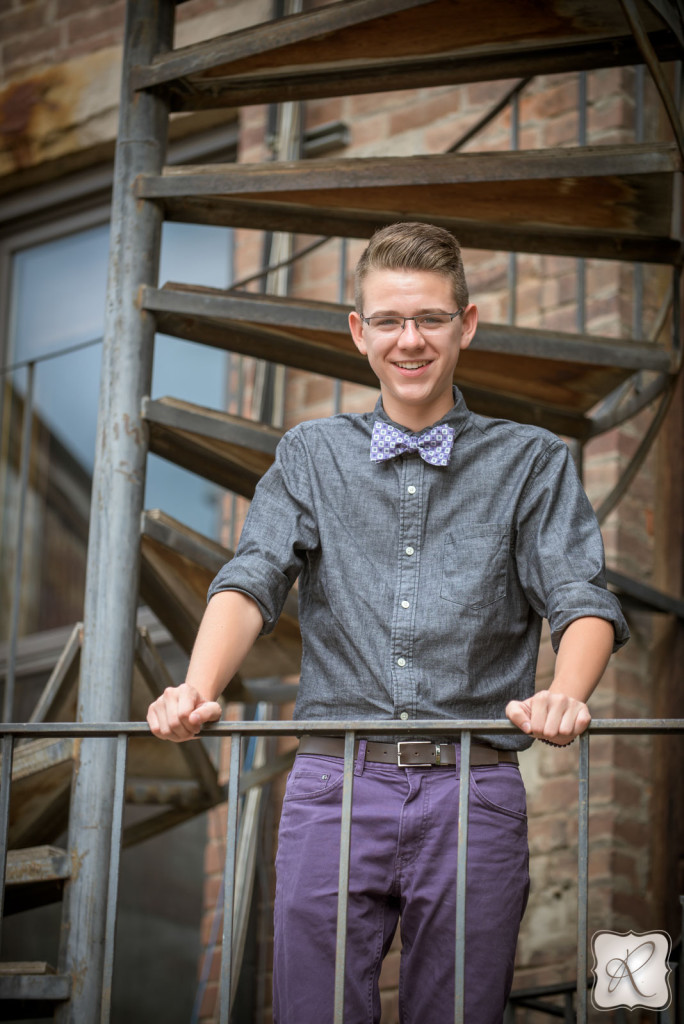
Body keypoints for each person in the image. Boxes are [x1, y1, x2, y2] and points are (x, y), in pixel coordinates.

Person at [147, 222, 629, 1023]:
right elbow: (253, 577)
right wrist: (195, 687)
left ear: (465, 325)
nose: (411, 340)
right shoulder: (309, 455)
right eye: (390, 321)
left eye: (432, 319)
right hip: (334, 783)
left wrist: (566, 693)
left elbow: (580, 596)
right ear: (359, 333)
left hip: (476, 790)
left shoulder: (533, 461)